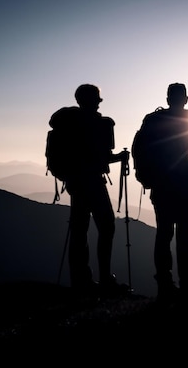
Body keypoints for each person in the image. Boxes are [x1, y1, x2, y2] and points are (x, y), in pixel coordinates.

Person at [50, 83, 130, 300]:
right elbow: (104, 158)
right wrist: (121, 158)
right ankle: (104, 278)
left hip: (75, 183)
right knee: (106, 225)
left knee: (79, 230)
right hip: (93, 182)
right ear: (94, 100)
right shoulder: (98, 124)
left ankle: (81, 280)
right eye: (97, 98)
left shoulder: (68, 123)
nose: (98, 103)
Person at [135, 83, 188, 303]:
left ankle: (164, 285)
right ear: (185, 99)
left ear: (167, 99)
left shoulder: (153, 121)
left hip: (161, 184)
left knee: (164, 233)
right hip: (184, 185)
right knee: (184, 236)